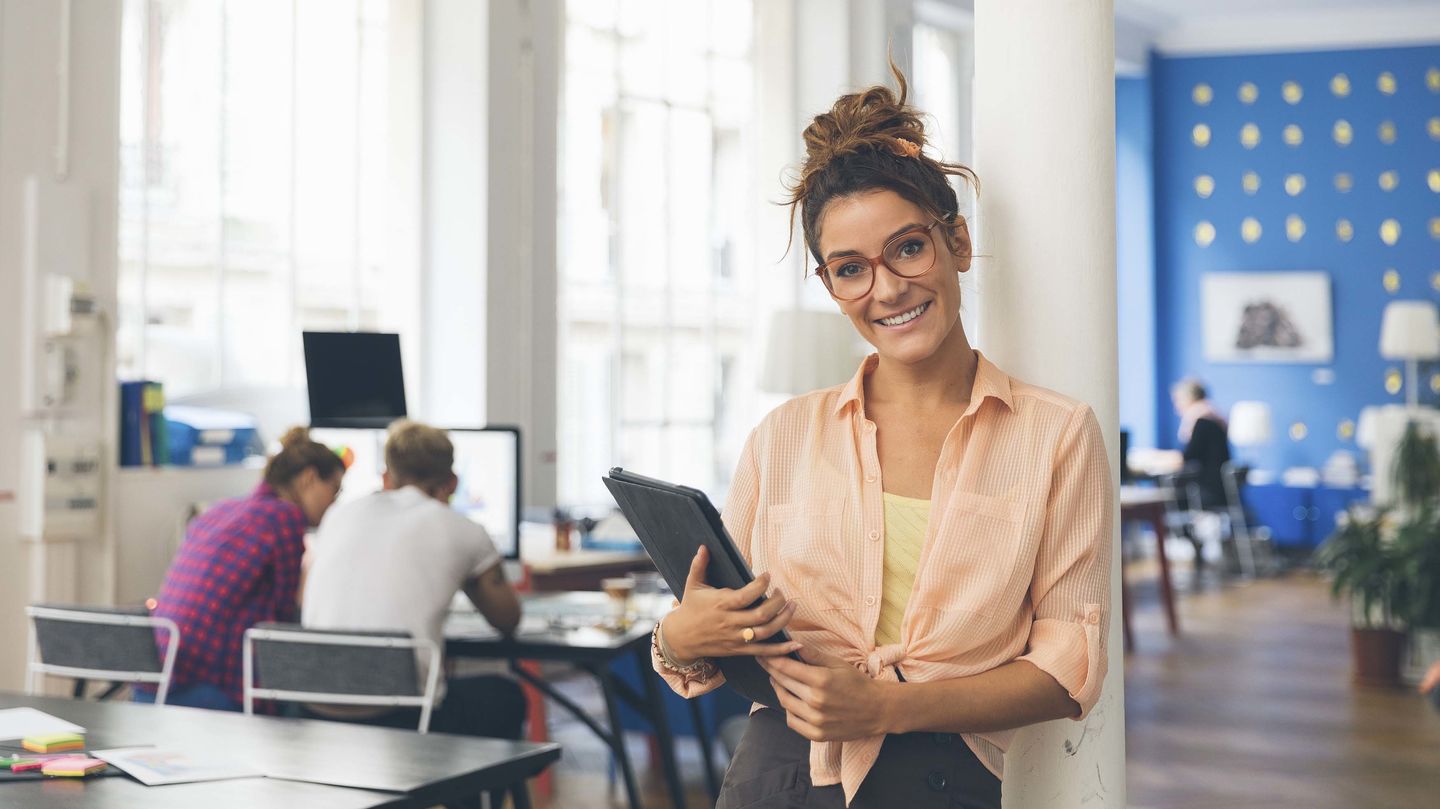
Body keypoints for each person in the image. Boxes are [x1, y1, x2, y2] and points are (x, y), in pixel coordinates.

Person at [652, 68, 1112, 809]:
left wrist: (887, 707)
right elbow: (699, 639)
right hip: (777, 775)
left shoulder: (1056, 433)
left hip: (942, 780)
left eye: (907, 249)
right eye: (850, 269)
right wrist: (681, 630)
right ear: (830, 284)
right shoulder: (781, 437)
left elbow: (1068, 670)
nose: (887, 290)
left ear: (956, 241)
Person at [301, 419, 525, 741]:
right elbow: (507, 619)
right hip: (403, 721)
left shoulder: (337, 515)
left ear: (386, 477)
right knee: (505, 697)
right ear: (452, 482)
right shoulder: (463, 529)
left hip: (313, 713)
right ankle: (460, 790)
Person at [138, 427, 345, 710]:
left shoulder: (221, 509)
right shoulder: (285, 517)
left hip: (157, 679)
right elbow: (284, 622)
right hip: (208, 690)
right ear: (309, 478)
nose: (335, 504)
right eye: (334, 490)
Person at [1170, 378, 1231, 510]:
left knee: (1169, 494)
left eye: (1178, 400)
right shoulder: (1215, 418)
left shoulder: (1202, 422)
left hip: (1208, 489)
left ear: (1189, 398)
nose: (1176, 407)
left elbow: (1187, 457)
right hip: (1220, 488)